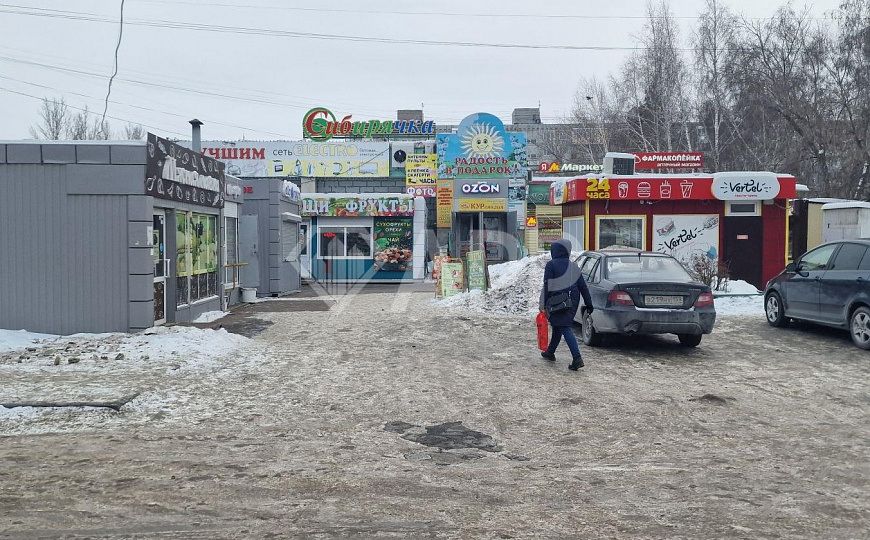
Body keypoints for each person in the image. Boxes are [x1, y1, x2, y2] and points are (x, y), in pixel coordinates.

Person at [539, 239, 593, 371]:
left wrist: (544, 304)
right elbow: (582, 286)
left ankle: (577, 358)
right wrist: (588, 302)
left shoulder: (551, 265)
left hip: (557, 301)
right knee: (559, 326)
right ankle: (550, 352)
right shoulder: (574, 266)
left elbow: (547, 285)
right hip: (571, 301)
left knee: (564, 327)